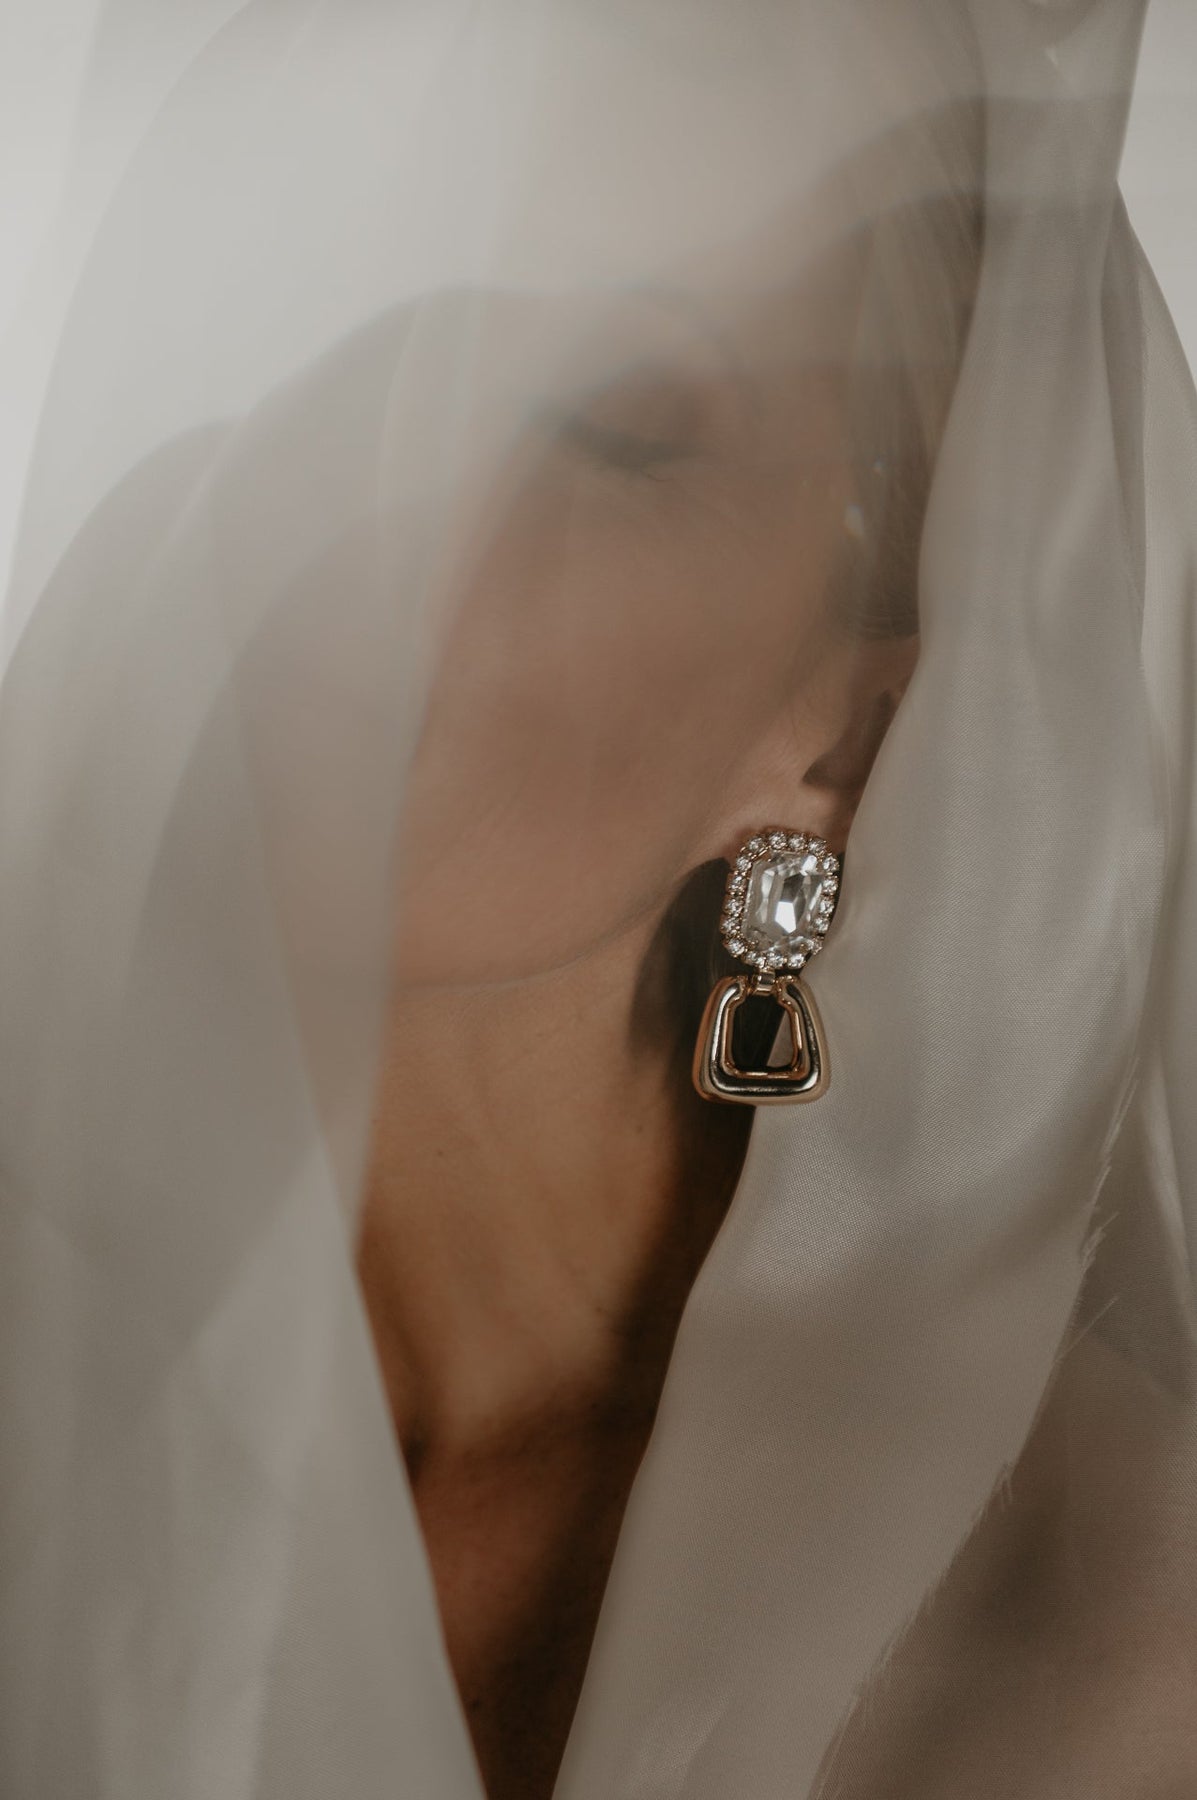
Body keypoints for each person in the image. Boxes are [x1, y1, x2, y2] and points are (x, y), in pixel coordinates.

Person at [1, 3, 1194, 1797]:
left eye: (614, 424)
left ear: (846, 736)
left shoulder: (1110, 1623)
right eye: (355, 322)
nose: (385, 485)